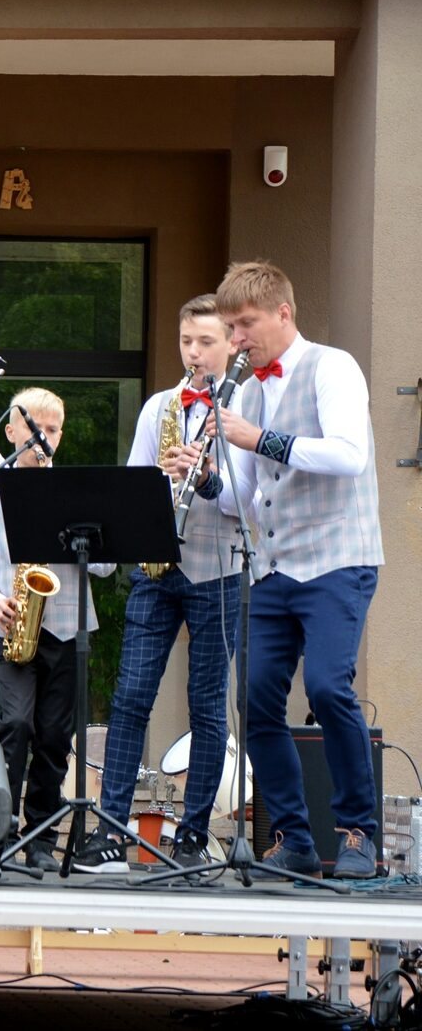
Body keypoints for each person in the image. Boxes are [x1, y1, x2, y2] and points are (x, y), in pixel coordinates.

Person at [205, 260, 384, 880]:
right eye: (230, 328)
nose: (236, 341)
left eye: (245, 325)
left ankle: (359, 833)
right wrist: (206, 480)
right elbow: (246, 500)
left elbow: (348, 455)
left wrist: (259, 439)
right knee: (254, 699)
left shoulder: (333, 367)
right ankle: (293, 839)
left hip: (338, 559)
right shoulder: (248, 390)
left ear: (283, 313)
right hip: (275, 568)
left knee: (329, 688)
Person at [74, 296, 242, 875]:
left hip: (219, 572)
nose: (193, 353)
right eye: (186, 341)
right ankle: (109, 831)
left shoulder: (246, 407)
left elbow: (251, 502)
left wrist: (209, 478)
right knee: (129, 699)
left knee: (207, 704)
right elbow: (131, 485)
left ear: (231, 344)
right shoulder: (159, 408)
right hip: (156, 570)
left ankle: (194, 835)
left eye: (206, 342)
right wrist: (158, 481)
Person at [0, 388, 114, 871]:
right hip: (15, 628)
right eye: (32, 430)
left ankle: (42, 839)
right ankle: (0, 830)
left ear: (61, 437)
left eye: (50, 431)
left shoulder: (76, 492)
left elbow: (107, 567)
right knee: (15, 725)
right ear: (10, 432)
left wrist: (87, 539)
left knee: (53, 736)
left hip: (68, 630)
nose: (41, 439)